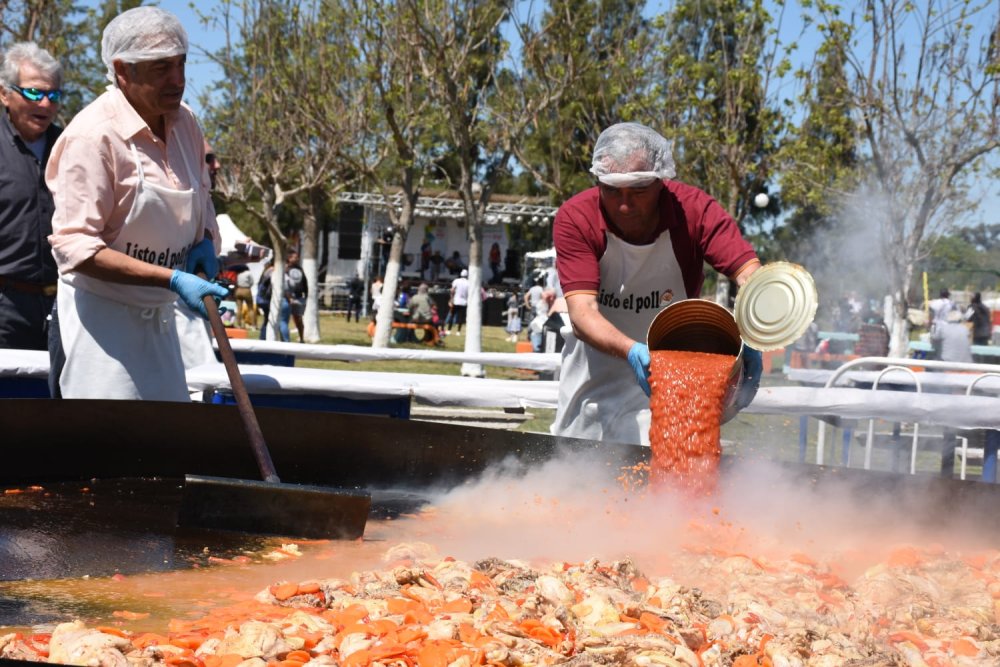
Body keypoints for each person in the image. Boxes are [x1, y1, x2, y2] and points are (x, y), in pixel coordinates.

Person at [45, 7, 228, 400]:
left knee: (163, 447)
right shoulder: (93, 137)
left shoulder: (187, 124)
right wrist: (172, 278)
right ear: (122, 70)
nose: (177, 80)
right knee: (107, 450)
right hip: (102, 327)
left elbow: (202, 196)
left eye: (181, 64)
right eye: (161, 68)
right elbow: (75, 246)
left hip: (162, 322)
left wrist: (206, 240)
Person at [550, 122, 762, 444]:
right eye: (611, 190)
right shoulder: (576, 218)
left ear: (660, 182)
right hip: (594, 380)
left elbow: (749, 273)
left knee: (680, 473)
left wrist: (755, 328)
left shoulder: (694, 211)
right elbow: (582, 313)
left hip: (676, 375)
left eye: (637, 191)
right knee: (581, 478)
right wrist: (635, 352)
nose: (624, 205)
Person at [0, 43, 63, 353]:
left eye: (54, 95)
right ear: (4, 94)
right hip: (6, 307)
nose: (46, 104)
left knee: (60, 399)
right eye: (35, 93)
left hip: (64, 306)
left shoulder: (70, 146)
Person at [283, 249, 307, 342]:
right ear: (289, 258)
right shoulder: (285, 269)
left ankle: (301, 338)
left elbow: (304, 283)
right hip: (287, 298)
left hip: (299, 297)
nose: (297, 259)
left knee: (298, 319)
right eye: (295, 257)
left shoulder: (300, 269)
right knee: (284, 320)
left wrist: (306, 294)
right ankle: (285, 339)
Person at [446, 268, 470, 336]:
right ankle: (458, 331)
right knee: (461, 317)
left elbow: (452, 290)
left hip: (456, 301)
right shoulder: (468, 283)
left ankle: (449, 330)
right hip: (464, 302)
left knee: (452, 315)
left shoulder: (456, 281)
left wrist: (451, 298)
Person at [234, 264, 255, 329]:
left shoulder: (238, 273)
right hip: (246, 289)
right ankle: (253, 325)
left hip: (238, 290)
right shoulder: (248, 273)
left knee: (239, 309)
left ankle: (238, 325)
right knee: (250, 308)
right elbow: (252, 282)